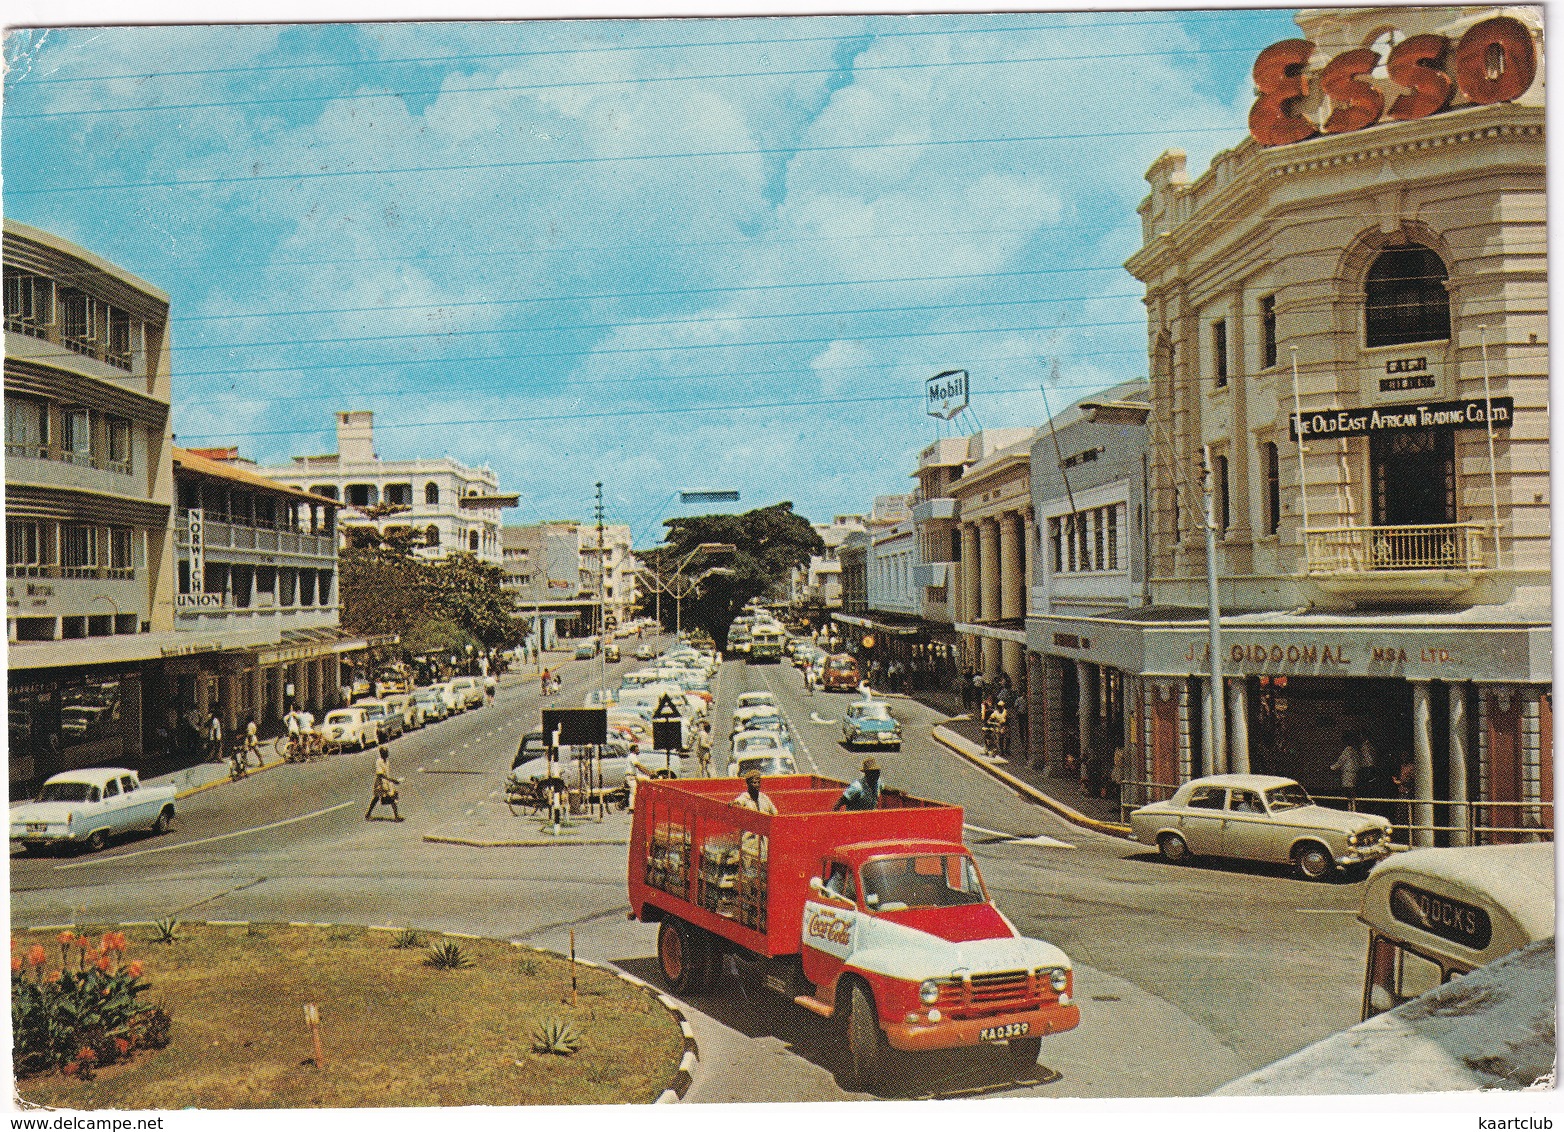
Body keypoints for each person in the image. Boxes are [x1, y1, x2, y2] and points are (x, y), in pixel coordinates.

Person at [365, 745, 403, 821]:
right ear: (381, 754)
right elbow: (380, 774)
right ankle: (368, 814)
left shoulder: (387, 761)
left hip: (386, 782)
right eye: (385, 753)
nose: (387, 754)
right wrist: (392, 780)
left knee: (392, 796)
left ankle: (396, 816)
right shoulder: (379, 761)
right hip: (380, 783)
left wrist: (390, 781)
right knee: (376, 798)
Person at [1331, 733, 1363, 801]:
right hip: (1354, 773)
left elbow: (1340, 762)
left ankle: (1350, 807)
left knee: (1348, 791)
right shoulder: (1355, 750)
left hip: (1348, 773)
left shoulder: (1347, 750)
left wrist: (1332, 768)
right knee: (1352, 790)